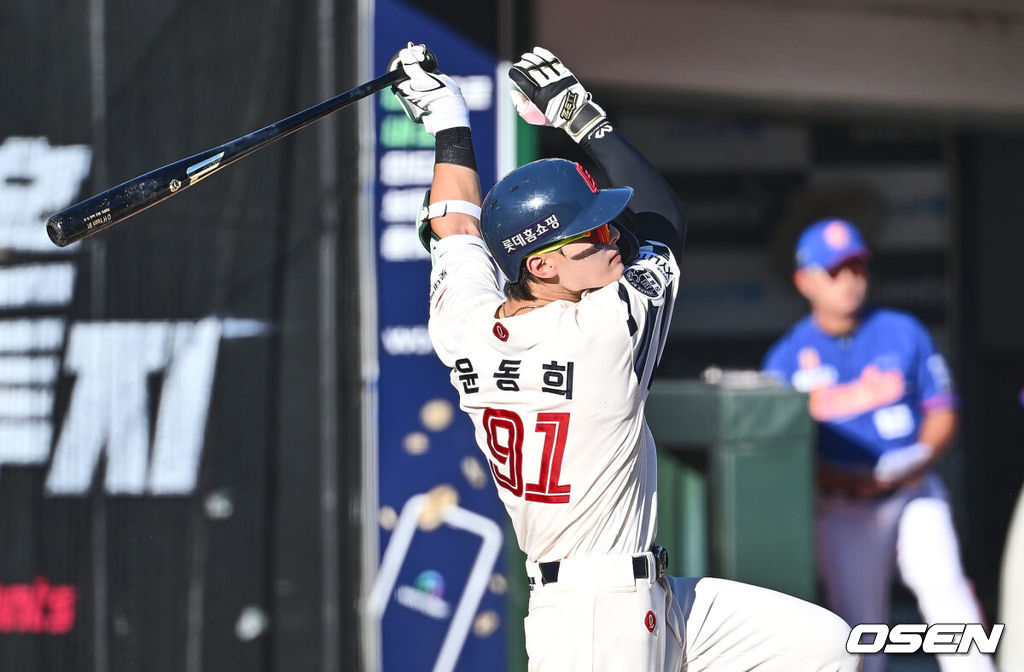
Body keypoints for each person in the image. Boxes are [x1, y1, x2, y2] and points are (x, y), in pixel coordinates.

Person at [390, 42, 859, 671]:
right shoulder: (603, 334)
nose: (614, 237)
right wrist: (583, 121)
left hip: (642, 592)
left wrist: (449, 123)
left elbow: (455, 228)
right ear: (541, 264)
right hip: (593, 618)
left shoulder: (464, 323)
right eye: (592, 234)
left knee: (821, 646)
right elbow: (663, 216)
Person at [762, 218, 995, 672]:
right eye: (836, 270)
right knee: (859, 635)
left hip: (912, 493)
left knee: (946, 592)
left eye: (858, 267)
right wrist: (850, 479)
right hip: (843, 506)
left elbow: (943, 410)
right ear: (805, 280)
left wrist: (918, 458)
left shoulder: (902, 330)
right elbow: (784, 458)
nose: (851, 280)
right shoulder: (786, 358)